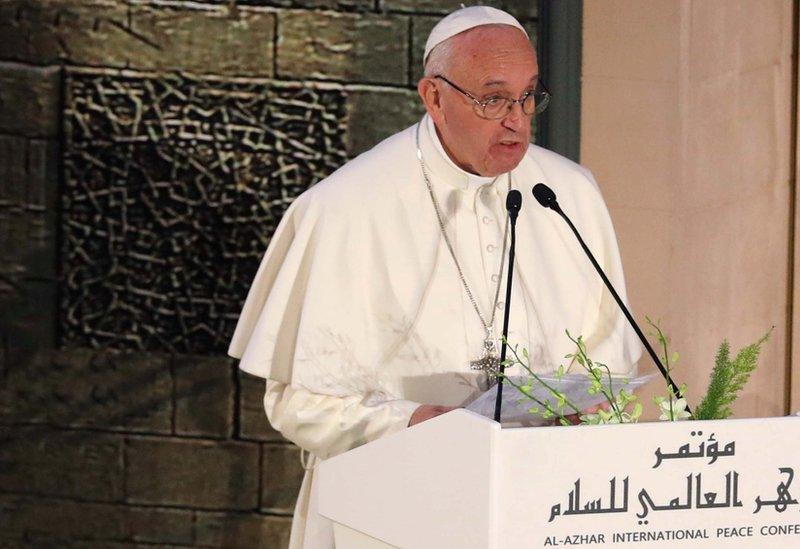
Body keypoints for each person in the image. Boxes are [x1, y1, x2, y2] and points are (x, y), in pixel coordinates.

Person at [228, 6, 641, 548]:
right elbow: (298, 402)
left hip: (537, 510)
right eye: (493, 99)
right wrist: (416, 423)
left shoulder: (568, 193)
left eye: (527, 96)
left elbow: (609, 359)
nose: (516, 120)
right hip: (386, 514)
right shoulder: (345, 208)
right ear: (435, 97)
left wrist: (586, 414)